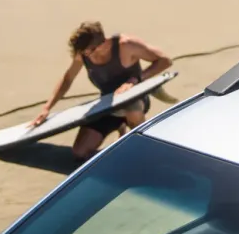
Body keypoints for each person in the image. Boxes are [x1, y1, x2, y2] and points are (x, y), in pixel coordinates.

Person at [30, 21, 173, 162]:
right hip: (107, 104)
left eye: (87, 52)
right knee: (80, 152)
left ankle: (143, 145)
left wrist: (135, 79)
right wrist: (47, 107)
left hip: (135, 99)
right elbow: (68, 79)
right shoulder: (83, 53)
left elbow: (164, 60)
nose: (85, 56)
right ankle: (120, 129)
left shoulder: (126, 45)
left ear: (101, 44)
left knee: (132, 108)